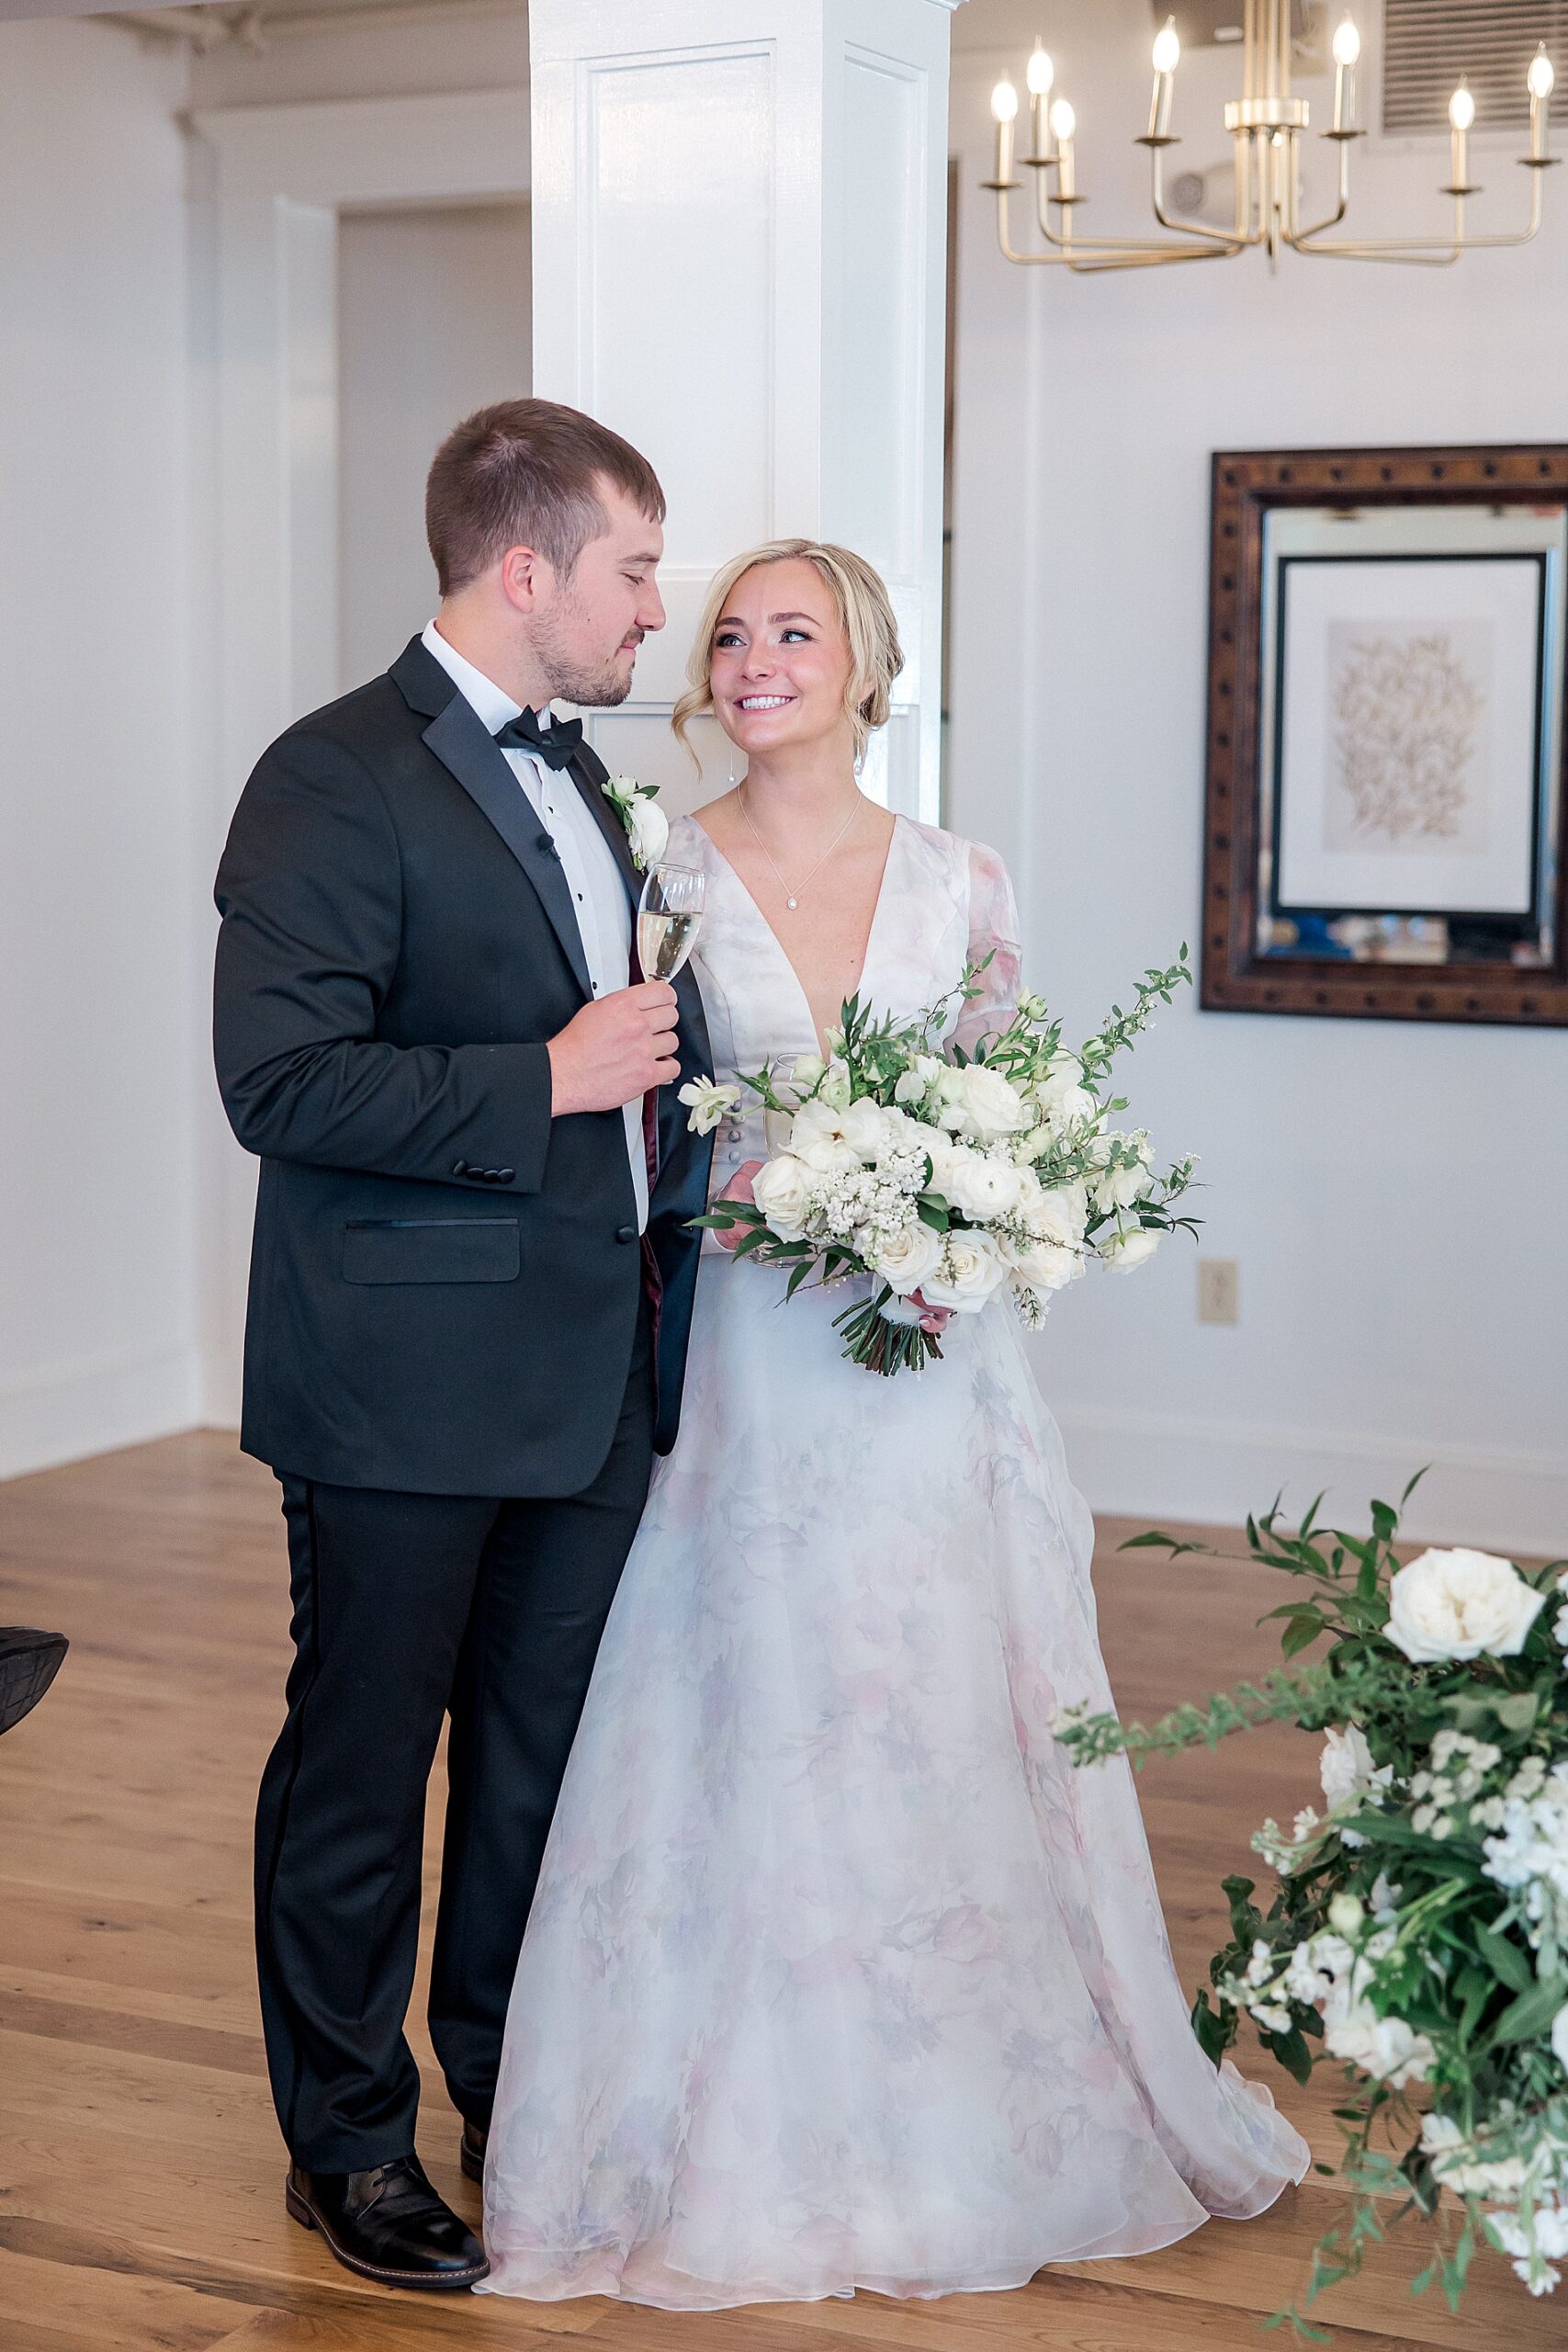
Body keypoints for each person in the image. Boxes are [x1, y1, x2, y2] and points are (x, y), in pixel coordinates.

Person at [479, 538, 1309, 2308]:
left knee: (934, 1691)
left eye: (797, 631)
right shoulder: (658, 871)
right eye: (729, 632)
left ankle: (978, 2080)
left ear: (869, 665)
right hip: (739, 1371)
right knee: (751, 1696)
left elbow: (1021, 1109)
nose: (758, 656)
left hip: (933, 1366)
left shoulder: (963, 877)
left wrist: (979, 1223)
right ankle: (731, 2113)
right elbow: (627, 1120)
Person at [212, 400, 714, 2291]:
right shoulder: (327, 776)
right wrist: (545, 1075)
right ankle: (345, 2138)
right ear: (528, 569)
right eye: (636, 569)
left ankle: (512, 2089)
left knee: (533, 1769)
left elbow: (639, 1048)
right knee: (359, 1767)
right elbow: (278, 1077)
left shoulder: (588, 775)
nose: (654, 611)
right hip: (398, 1387)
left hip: (596, 1374)